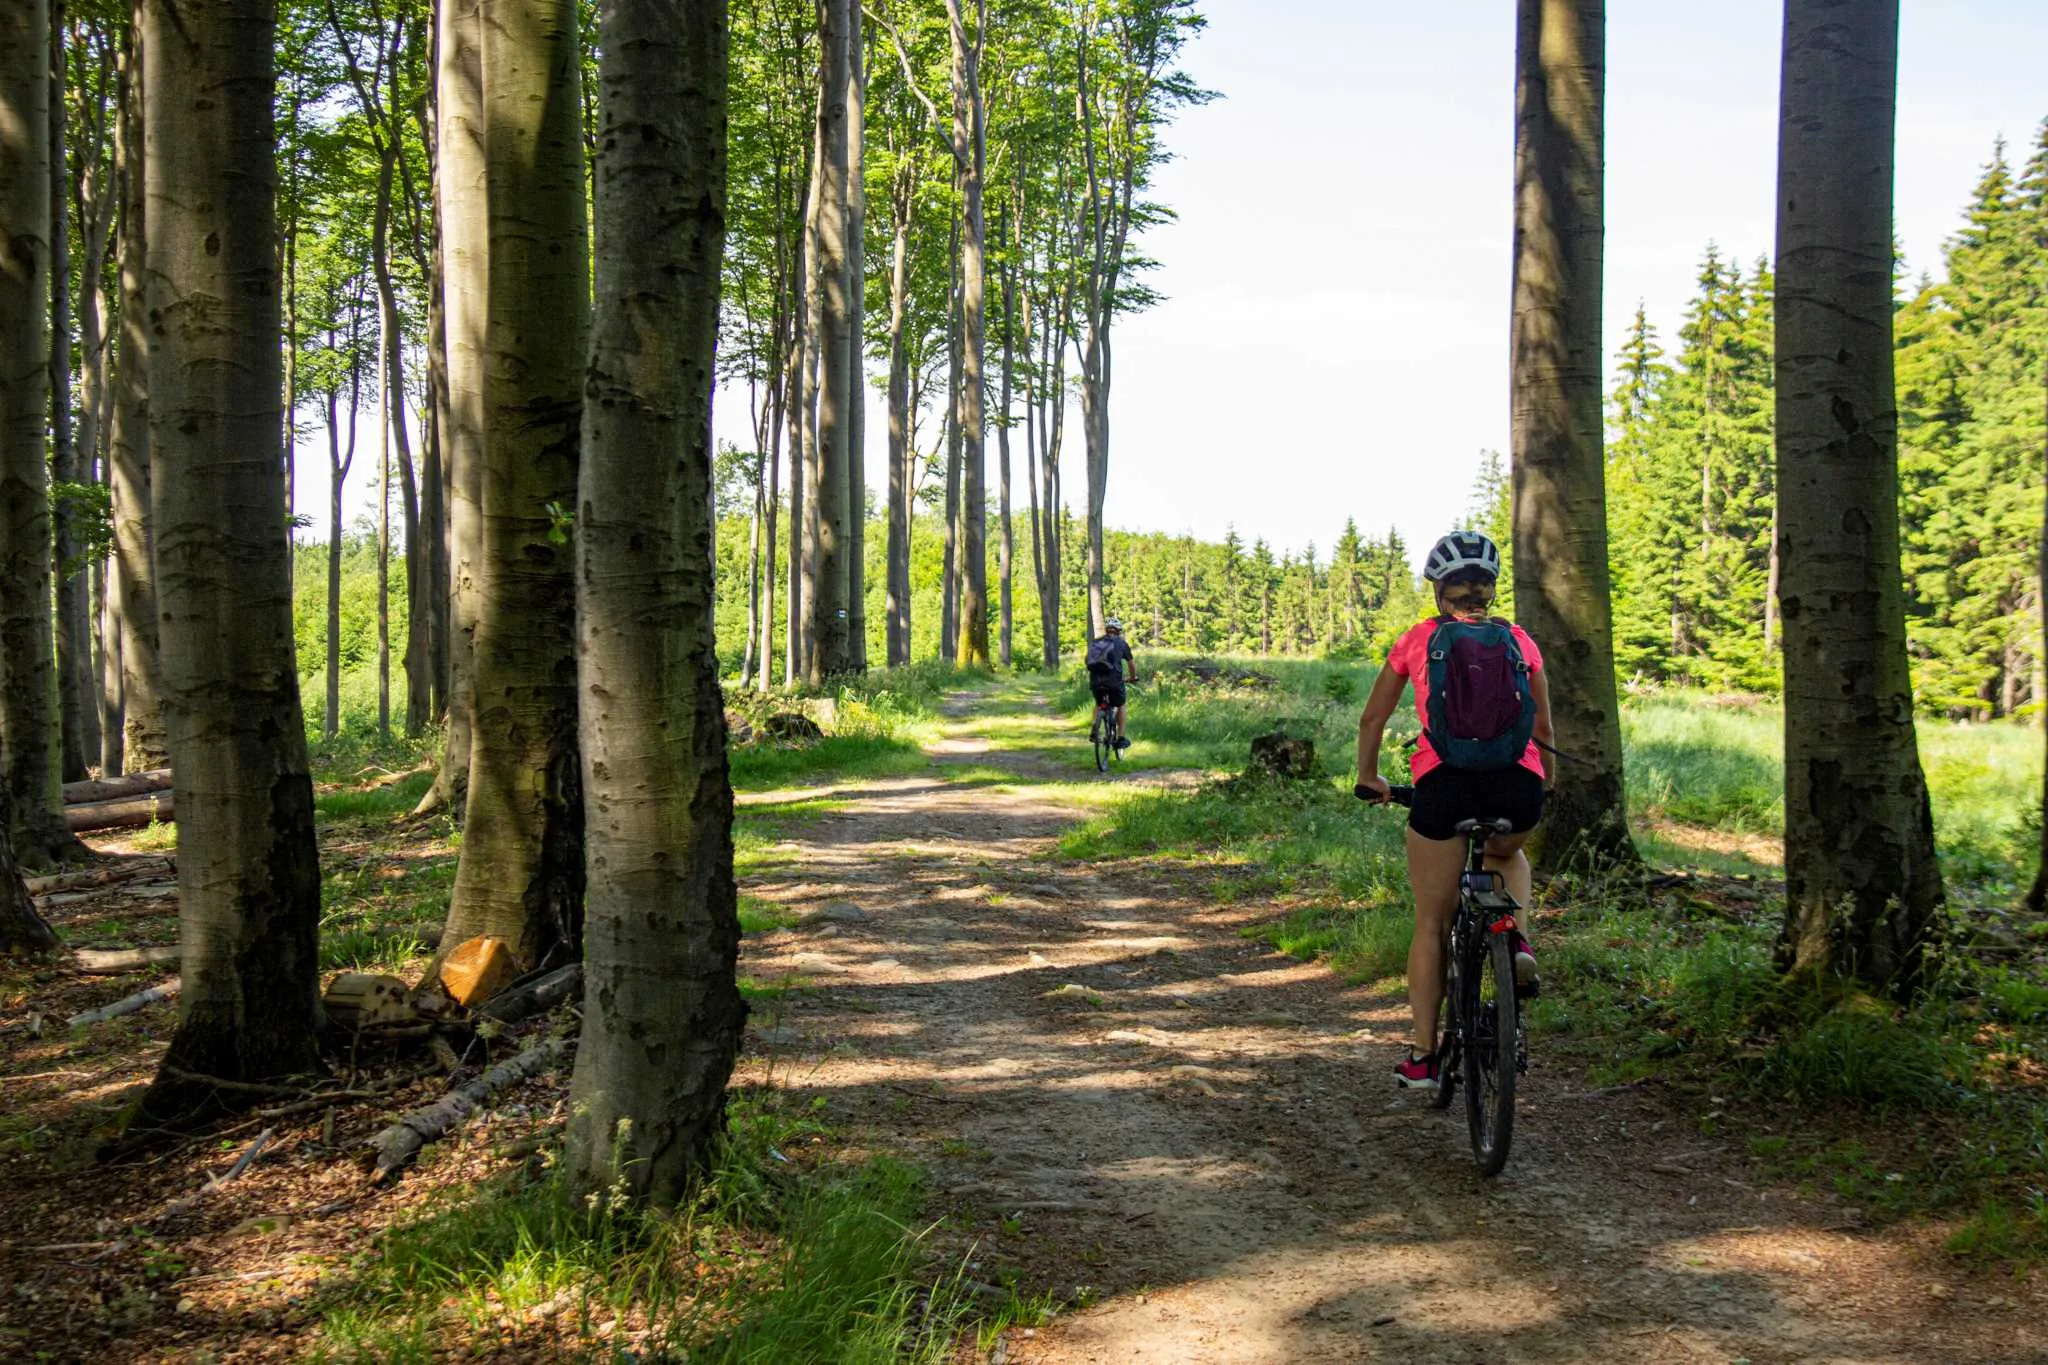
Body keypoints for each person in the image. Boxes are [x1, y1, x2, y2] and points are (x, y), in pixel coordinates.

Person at [1353, 530, 1552, 1091]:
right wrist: (1545, 785)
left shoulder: (1417, 640)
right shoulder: (1519, 640)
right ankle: (1514, 938)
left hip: (1443, 787)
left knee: (1432, 921)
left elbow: (1373, 719)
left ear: (1441, 590)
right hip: (1517, 787)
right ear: (1489, 589)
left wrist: (1370, 778)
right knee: (1506, 852)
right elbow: (1543, 728)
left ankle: (1423, 1055)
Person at [1084, 617, 1139, 749]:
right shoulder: (1122, 644)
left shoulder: (1096, 642)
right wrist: (1133, 677)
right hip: (1114, 681)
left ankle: (1094, 727)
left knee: (1099, 703)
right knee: (1121, 704)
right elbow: (1131, 664)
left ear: (1106, 630)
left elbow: (1087, 660)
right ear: (1118, 631)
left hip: (1096, 681)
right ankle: (1120, 738)